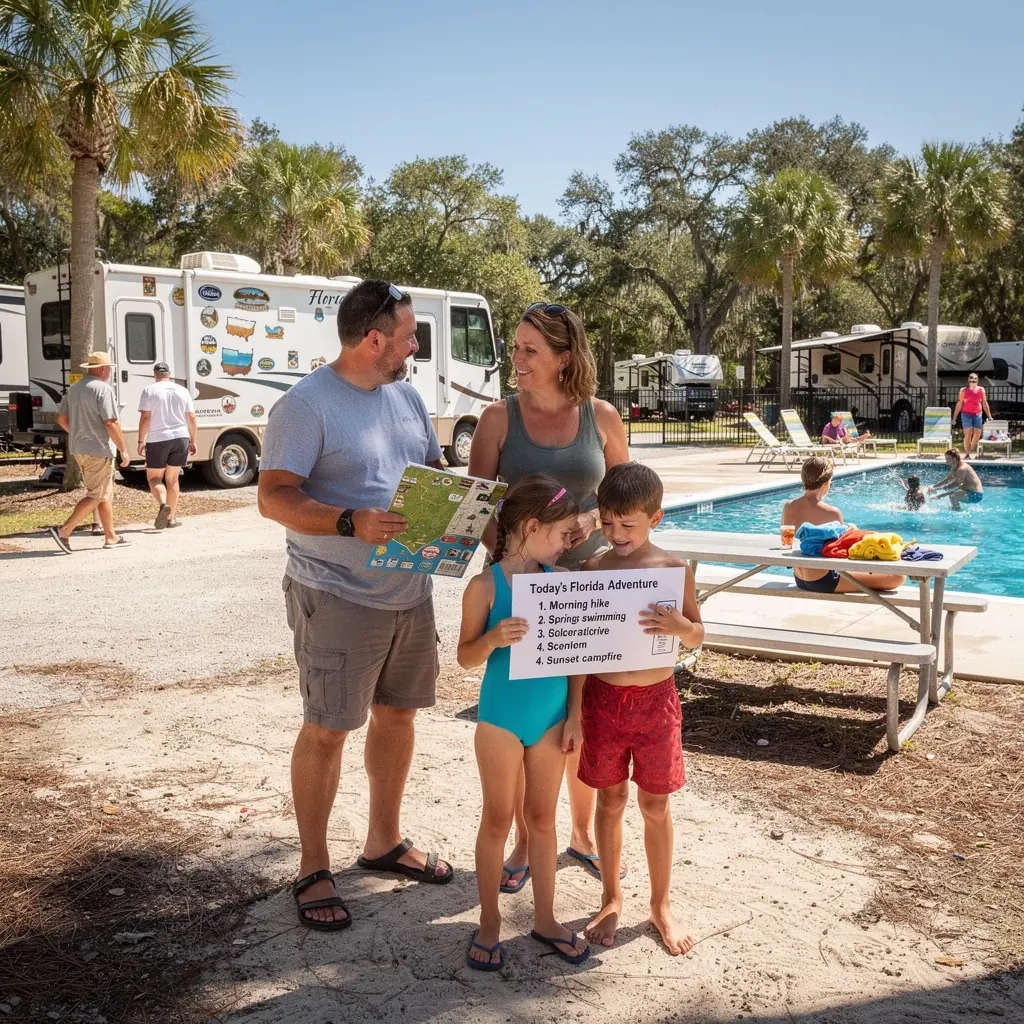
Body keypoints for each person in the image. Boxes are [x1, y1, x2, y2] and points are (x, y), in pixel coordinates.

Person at [258, 280, 453, 934]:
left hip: (410, 590)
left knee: (399, 716)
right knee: (329, 727)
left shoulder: (406, 396)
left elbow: (431, 472)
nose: (414, 344)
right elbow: (274, 497)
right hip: (336, 595)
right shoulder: (306, 405)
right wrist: (348, 521)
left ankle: (383, 841)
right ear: (376, 340)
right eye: (408, 334)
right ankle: (314, 866)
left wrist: (454, 512)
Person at [468, 301, 630, 893]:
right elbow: (480, 507)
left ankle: (581, 836)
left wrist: (588, 522)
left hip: (587, 594)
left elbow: (625, 501)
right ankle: (522, 840)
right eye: (515, 348)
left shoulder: (603, 417)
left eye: (529, 350)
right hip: (520, 596)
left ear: (566, 358)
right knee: (526, 719)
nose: (517, 360)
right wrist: (521, 563)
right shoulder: (496, 419)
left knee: (578, 719)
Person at [457, 475, 590, 970]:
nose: (567, 544)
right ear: (532, 527)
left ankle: (546, 918)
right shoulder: (483, 587)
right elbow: (465, 657)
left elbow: (576, 659)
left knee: (541, 821)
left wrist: (575, 715)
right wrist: (492, 640)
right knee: (497, 819)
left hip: (552, 719)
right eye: (562, 535)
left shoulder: (561, 584)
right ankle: (490, 920)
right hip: (500, 720)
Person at [576, 462, 704, 955]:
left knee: (655, 804)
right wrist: (572, 712)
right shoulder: (592, 570)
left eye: (628, 524)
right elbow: (578, 648)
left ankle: (661, 904)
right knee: (610, 802)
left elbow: (697, 633)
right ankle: (611, 898)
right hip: (603, 701)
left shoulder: (673, 571)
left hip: (656, 701)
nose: (616, 533)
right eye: (608, 523)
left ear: (657, 518)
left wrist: (679, 628)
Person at [781, 457, 906, 592]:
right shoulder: (832, 513)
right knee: (898, 576)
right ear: (826, 483)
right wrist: (853, 532)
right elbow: (840, 553)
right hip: (825, 580)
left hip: (800, 577)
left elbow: (787, 543)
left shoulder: (789, 507)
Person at [49, 352, 131, 553]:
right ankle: (64, 530)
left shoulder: (74, 389)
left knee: (103, 493)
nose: (110, 371)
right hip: (98, 448)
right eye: (109, 368)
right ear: (102, 369)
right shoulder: (103, 390)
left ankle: (110, 536)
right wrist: (123, 449)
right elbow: (111, 422)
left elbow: (61, 419)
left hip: (79, 448)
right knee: (97, 493)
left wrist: (77, 433)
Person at [137, 362, 197, 529]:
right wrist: (193, 440)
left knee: (154, 478)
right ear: (169, 375)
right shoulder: (182, 390)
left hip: (158, 438)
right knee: (173, 479)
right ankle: (171, 519)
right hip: (181, 437)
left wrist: (141, 440)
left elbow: (145, 418)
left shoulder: (149, 390)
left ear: (155, 375)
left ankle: (163, 504)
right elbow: (191, 417)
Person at [952, 374, 992, 459]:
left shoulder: (981, 390)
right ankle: (967, 453)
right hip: (966, 414)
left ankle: (969, 450)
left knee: (977, 433)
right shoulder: (963, 390)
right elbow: (959, 403)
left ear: (977, 381)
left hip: (978, 414)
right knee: (968, 433)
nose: (973, 381)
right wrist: (954, 417)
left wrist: (989, 416)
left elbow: (984, 403)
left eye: (974, 379)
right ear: (968, 380)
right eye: (971, 379)